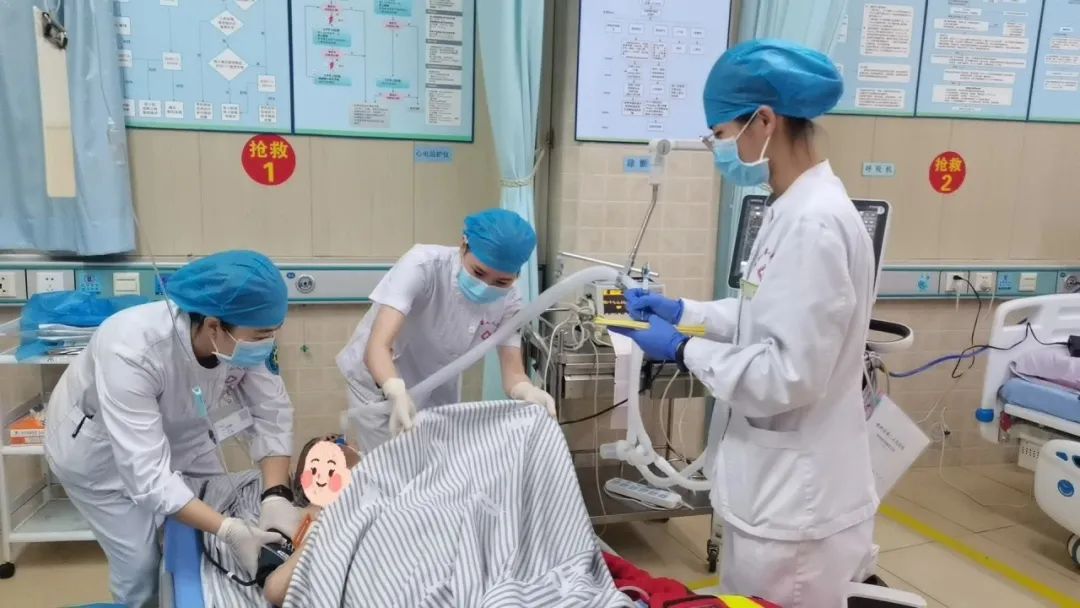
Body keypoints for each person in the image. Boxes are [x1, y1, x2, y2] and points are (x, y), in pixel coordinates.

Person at [611, 39, 879, 607]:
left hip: (796, 509)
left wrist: (682, 350)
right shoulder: (791, 208)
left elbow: (788, 374)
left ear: (764, 120)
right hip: (775, 495)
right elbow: (766, 314)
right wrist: (684, 312)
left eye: (721, 133)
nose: (718, 148)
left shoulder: (814, 223)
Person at [44, 250, 304, 608]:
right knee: (141, 567)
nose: (268, 342)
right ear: (213, 326)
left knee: (205, 536)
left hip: (188, 439)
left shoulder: (243, 339)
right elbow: (148, 477)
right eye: (261, 335)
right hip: (102, 462)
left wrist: (276, 495)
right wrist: (229, 530)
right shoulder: (131, 348)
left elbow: (271, 411)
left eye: (272, 333)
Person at [337, 208, 555, 451]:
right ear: (463, 245)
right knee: (392, 463)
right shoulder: (422, 265)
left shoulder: (511, 300)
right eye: (478, 272)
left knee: (441, 462)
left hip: (437, 383)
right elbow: (377, 346)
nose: (485, 286)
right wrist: (395, 391)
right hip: (380, 382)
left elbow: (513, 373)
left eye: (501, 281)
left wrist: (526, 390)